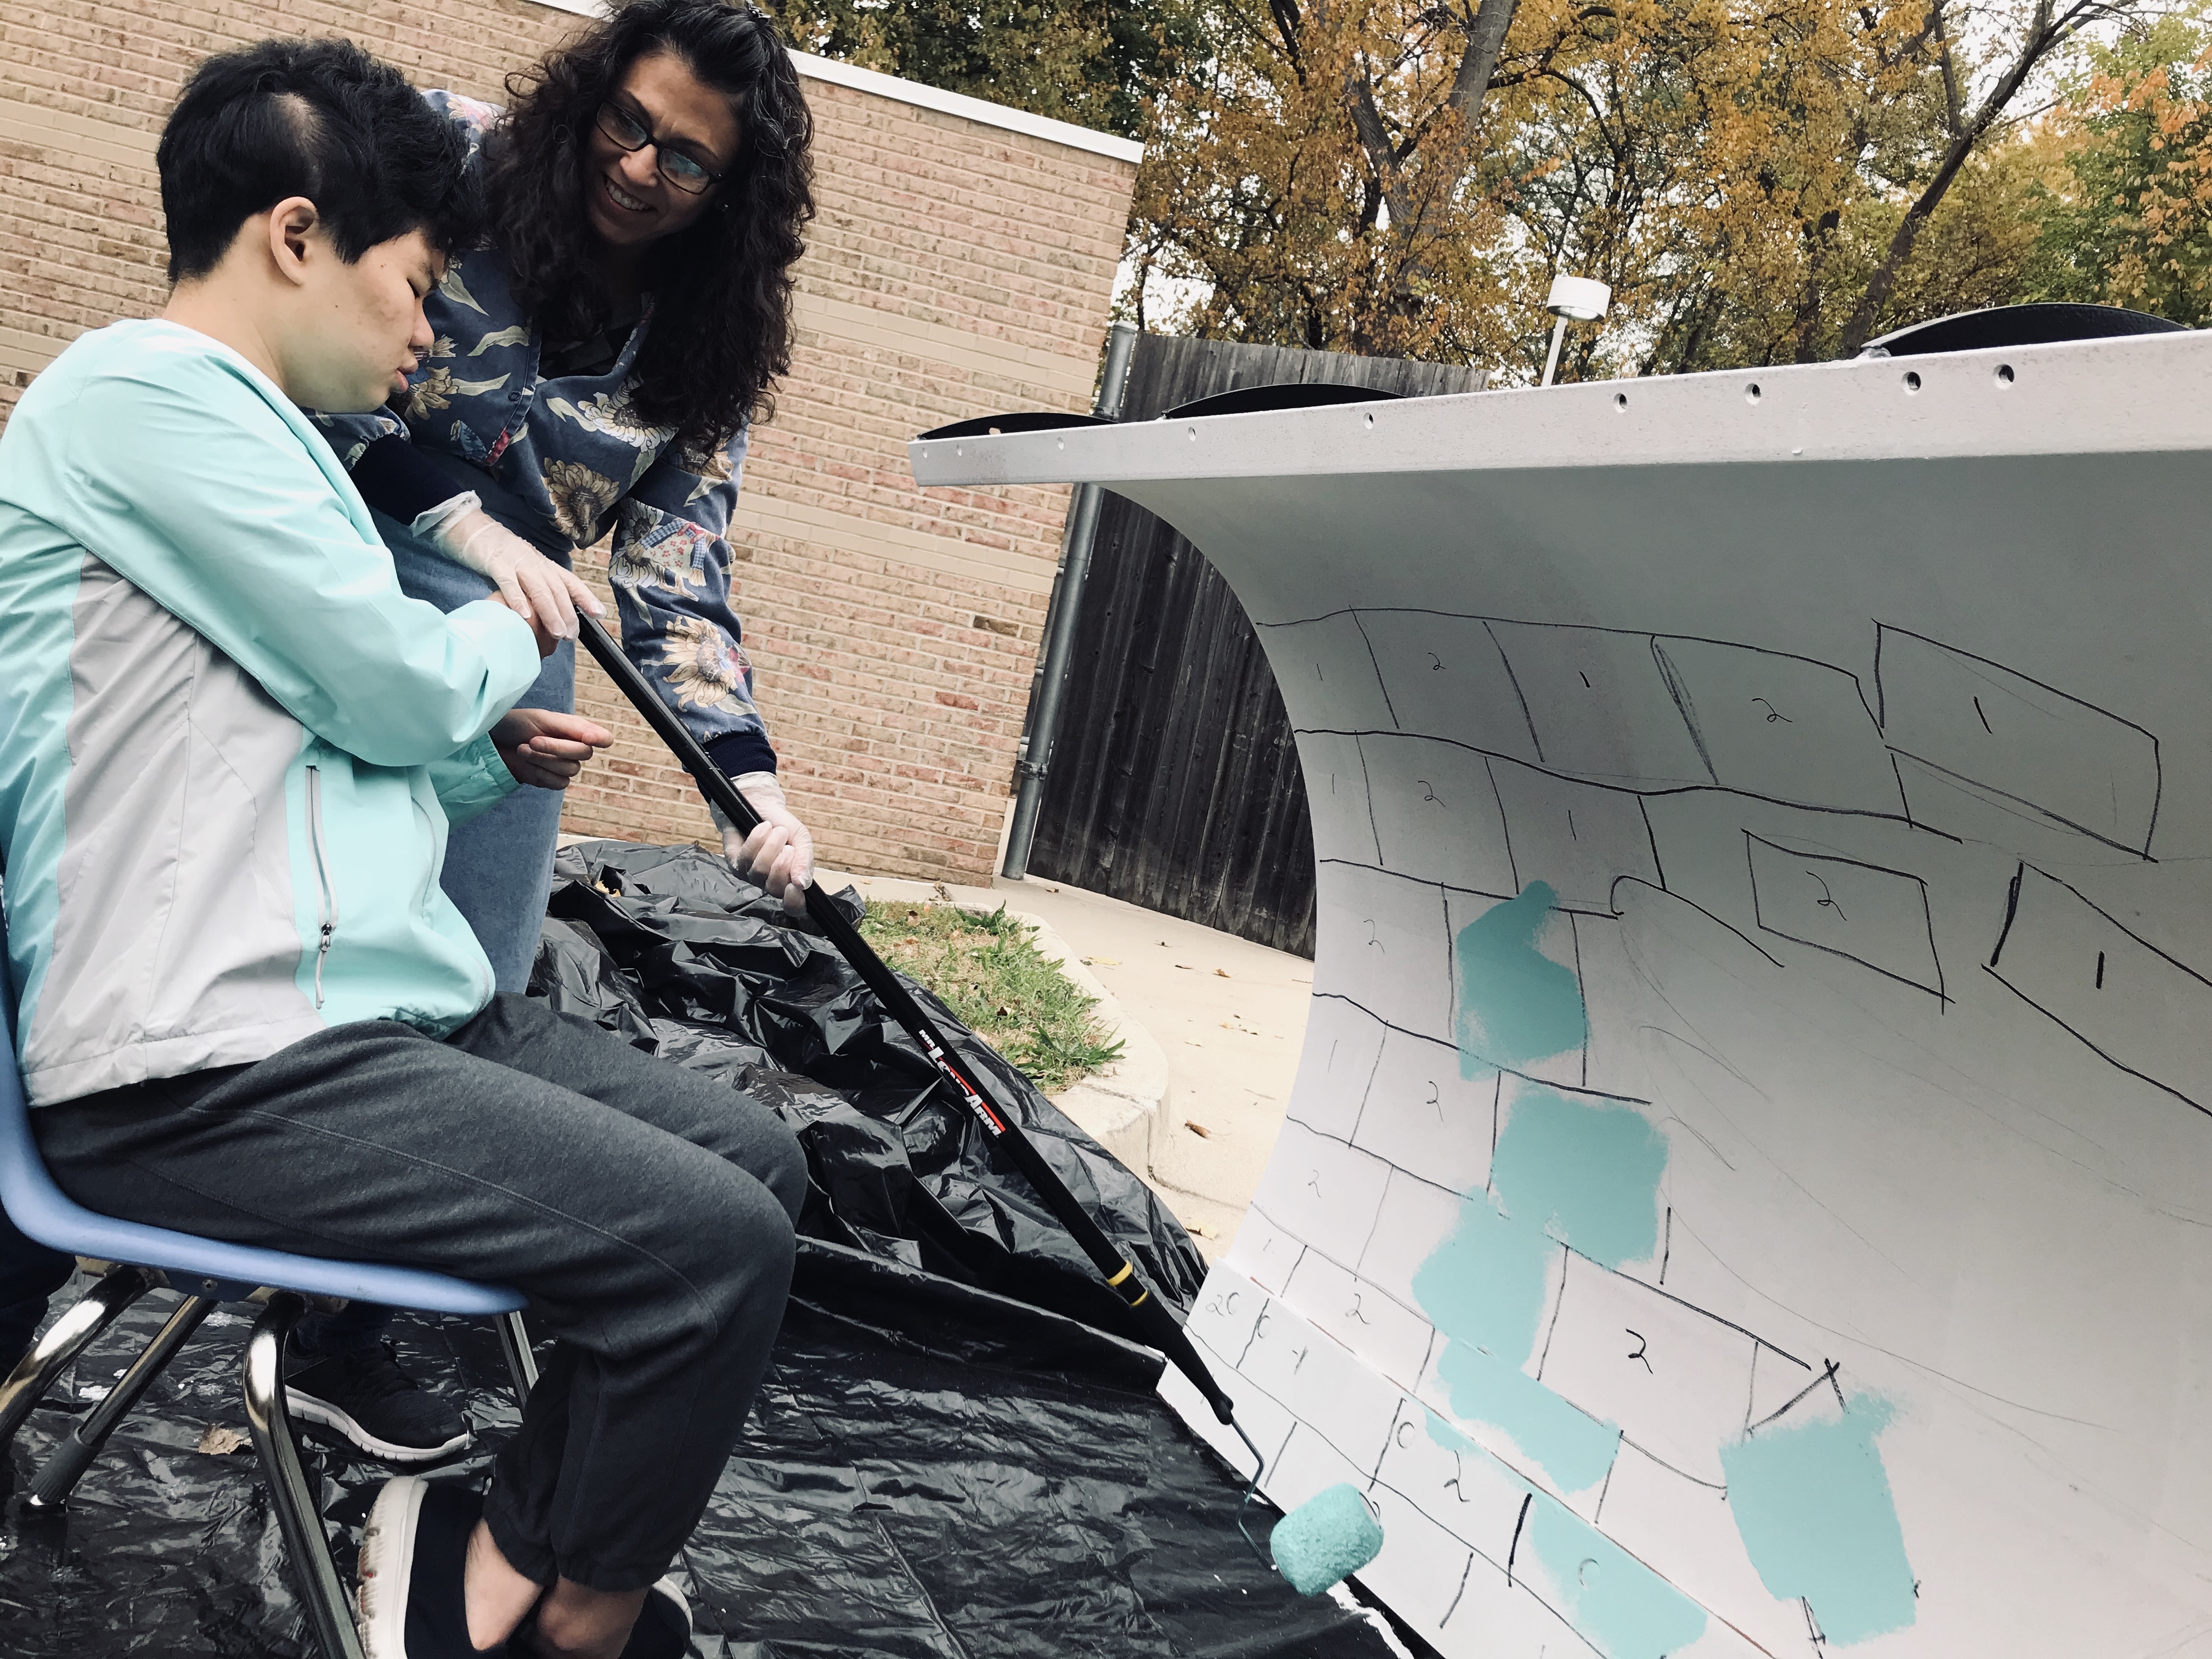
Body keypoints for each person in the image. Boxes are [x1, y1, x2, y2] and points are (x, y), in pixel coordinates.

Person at [0, 39, 805, 1659]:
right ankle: (547, 1613)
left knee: (761, 1169)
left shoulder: (274, 443)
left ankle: (490, 1558)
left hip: (352, 1010)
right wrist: (526, 622)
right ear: (298, 236)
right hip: (207, 1058)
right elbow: (384, 677)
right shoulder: (144, 396)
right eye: (421, 283)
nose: (434, 330)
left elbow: (367, 736)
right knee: (711, 1253)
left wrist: (463, 742)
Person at [315, 0, 821, 1000]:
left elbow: (674, 586)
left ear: (730, 194)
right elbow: (298, 310)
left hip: (523, 618)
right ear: (592, 98)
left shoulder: (714, 348)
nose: (637, 167)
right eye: (627, 122)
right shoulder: (454, 155)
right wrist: (459, 522)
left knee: (479, 979)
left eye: (685, 161)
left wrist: (746, 789)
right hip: (336, 527)